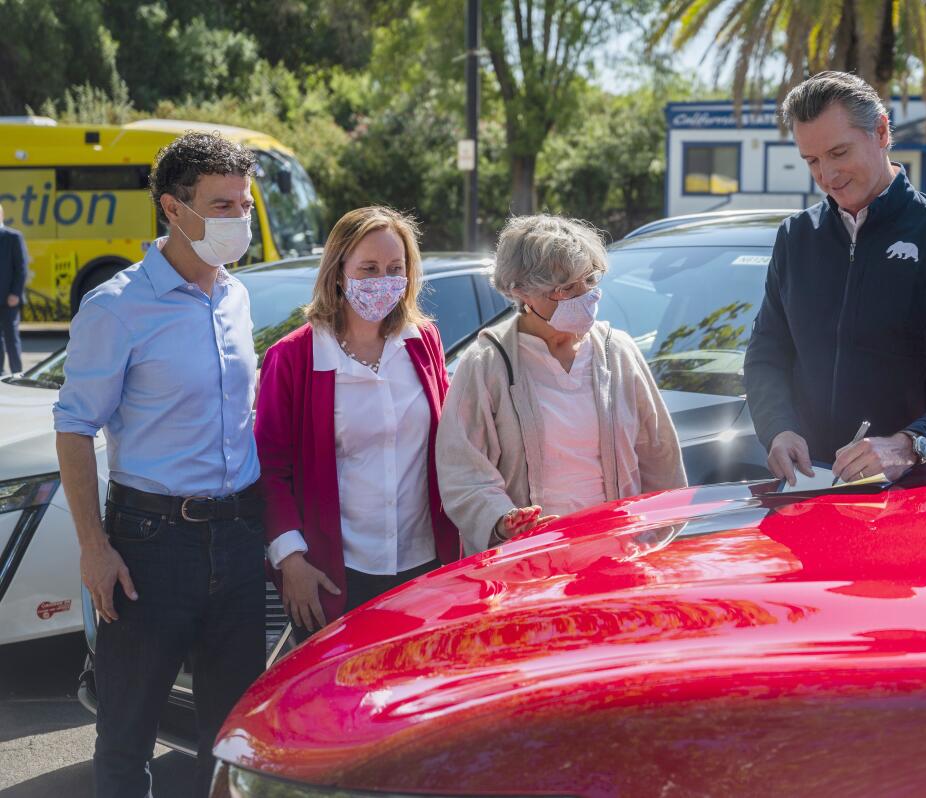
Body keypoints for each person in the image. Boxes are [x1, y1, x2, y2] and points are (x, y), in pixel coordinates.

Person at [52, 132, 264, 798]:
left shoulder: (236, 296)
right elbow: (74, 425)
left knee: (232, 739)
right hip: (151, 547)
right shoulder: (117, 307)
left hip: (235, 540)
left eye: (244, 203)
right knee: (126, 736)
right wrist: (94, 547)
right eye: (221, 204)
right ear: (173, 208)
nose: (239, 219)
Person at [744, 71, 926, 485]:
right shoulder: (795, 238)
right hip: (807, 488)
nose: (827, 175)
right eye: (811, 160)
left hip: (908, 494)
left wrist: (909, 445)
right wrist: (777, 428)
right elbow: (766, 353)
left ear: (881, 132)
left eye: (838, 152)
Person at [255, 206, 459, 638]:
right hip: (336, 576)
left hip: (424, 568)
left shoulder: (424, 342)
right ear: (338, 272)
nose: (383, 280)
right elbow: (270, 471)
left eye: (394, 268)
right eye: (368, 268)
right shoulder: (292, 359)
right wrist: (291, 561)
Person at [436, 214, 687, 554]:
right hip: (527, 566)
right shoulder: (486, 363)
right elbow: (462, 470)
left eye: (589, 280)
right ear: (521, 291)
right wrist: (501, 521)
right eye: (566, 288)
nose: (584, 295)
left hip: (617, 556)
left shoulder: (619, 351)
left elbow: (660, 457)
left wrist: (653, 540)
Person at [0, 203, 29, 374]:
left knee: (11, 338)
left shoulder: (13, 237)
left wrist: (15, 293)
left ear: (2, 216)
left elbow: (21, 268)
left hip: (10, 299)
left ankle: (17, 373)